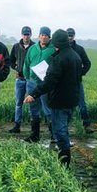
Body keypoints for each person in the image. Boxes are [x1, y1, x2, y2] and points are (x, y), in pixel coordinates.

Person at [26, 29, 81, 166]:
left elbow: (50, 81)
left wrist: (34, 93)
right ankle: (64, 160)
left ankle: (64, 163)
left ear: (57, 43)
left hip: (59, 101)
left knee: (60, 132)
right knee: (63, 129)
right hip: (71, 100)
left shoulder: (59, 59)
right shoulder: (75, 56)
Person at [22, 27, 54, 143]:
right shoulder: (32, 48)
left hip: (45, 84)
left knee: (48, 109)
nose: (43, 37)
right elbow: (26, 64)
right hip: (32, 83)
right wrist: (27, 78)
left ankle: (54, 135)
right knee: (33, 109)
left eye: (46, 35)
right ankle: (34, 135)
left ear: (49, 37)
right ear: (39, 36)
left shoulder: (53, 49)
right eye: (42, 35)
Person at [66, 28, 96, 135]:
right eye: (68, 35)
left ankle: (86, 125)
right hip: (65, 83)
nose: (70, 37)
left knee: (82, 105)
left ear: (74, 36)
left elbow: (87, 63)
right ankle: (64, 127)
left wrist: (81, 73)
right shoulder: (61, 48)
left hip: (77, 82)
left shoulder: (79, 49)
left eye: (71, 35)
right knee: (67, 106)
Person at [7, 26, 34, 133]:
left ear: (30, 35)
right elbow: (10, 60)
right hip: (20, 79)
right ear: (22, 35)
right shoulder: (16, 46)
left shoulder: (34, 47)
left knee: (32, 103)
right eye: (24, 34)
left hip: (31, 79)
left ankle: (33, 127)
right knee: (18, 103)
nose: (26, 36)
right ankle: (17, 125)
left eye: (27, 34)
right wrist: (16, 68)